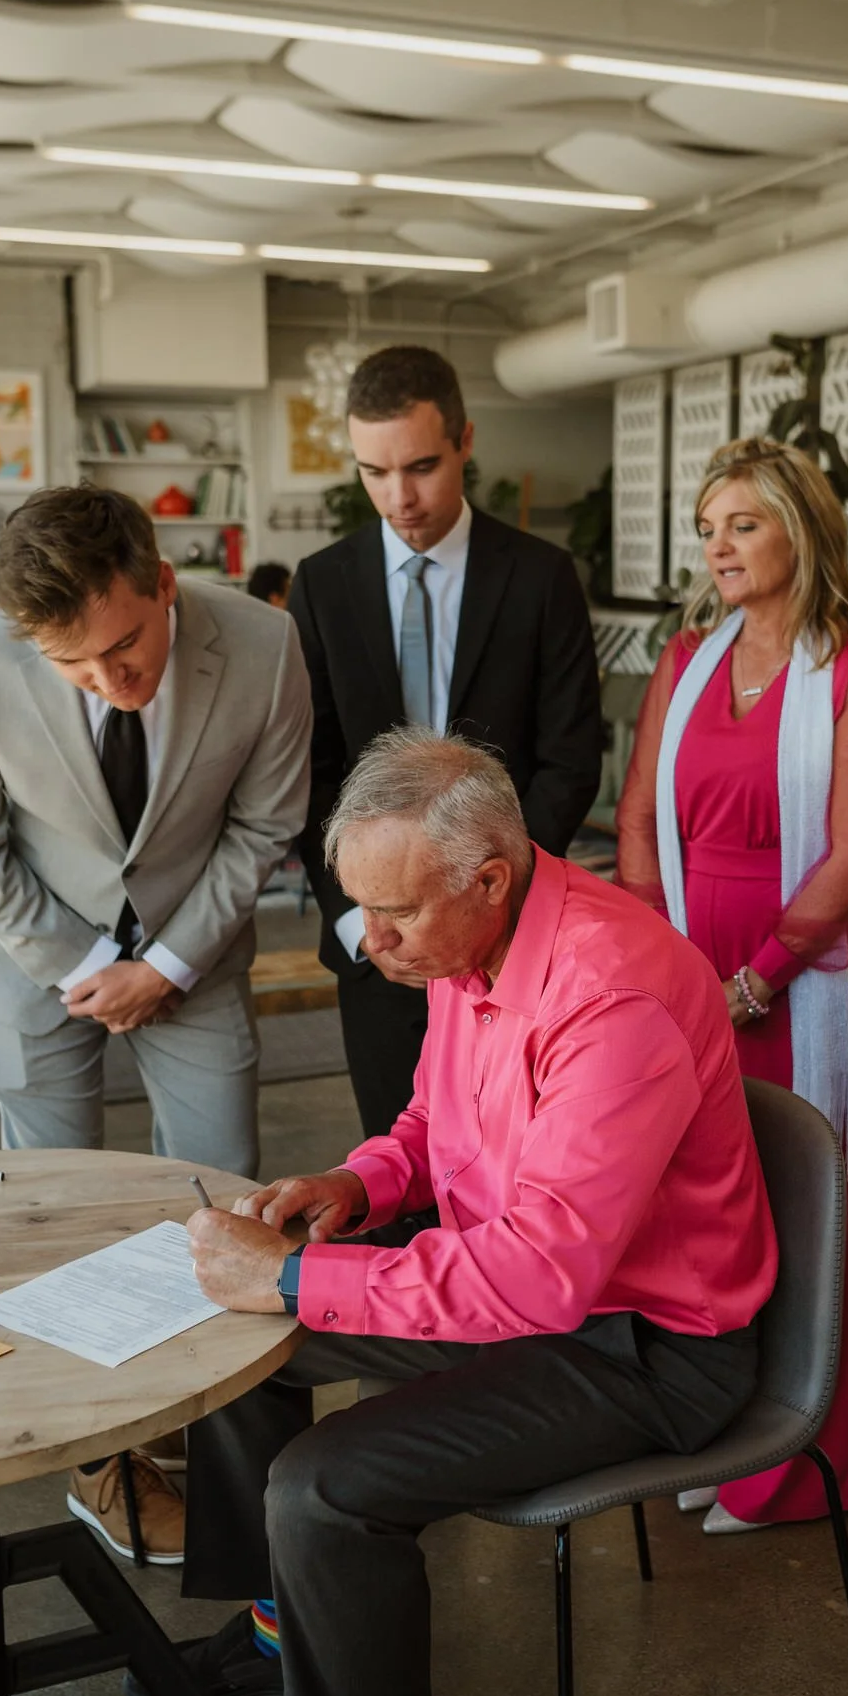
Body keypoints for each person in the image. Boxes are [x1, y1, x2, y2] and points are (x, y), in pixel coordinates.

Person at [176, 729, 775, 1696]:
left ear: (492, 875)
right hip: (535, 1290)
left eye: (390, 913)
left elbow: (546, 1276)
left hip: (647, 1344)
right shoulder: (471, 947)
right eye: (357, 907)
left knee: (321, 1486)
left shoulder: (610, 987)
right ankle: (281, 1635)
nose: (365, 941)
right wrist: (360, 1189)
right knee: (227, 1342)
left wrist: (299, 1283)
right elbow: (440, 1132)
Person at [0, 485, 312, 1561]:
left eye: (125, 646)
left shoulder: (266, 642)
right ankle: (101, 1460)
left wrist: (169, 962)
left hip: (199, 951)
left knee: (227, 1191)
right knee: (55, 1212)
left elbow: (266, 821)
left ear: (162, 583)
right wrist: (93, 965)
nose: (110, 679)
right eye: (74, 665)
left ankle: (213, 1451)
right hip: (34, 957)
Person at [618, 438, 848, 1535]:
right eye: (707, 526)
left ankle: (801, 1463)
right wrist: (665, 955)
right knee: (704, 1212)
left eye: (741, 522)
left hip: (804, 971)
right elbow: (639, 811)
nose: (718, 545)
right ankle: (719, 1432)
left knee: (810, 1207)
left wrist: (755, 979)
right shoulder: (688, 655)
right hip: (690, 965)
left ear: (800, 528)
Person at [289, 343, 603, 1138]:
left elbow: (568, 758)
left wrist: (487, 903)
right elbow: (309, 771)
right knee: (393, 1168)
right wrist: (357, 916)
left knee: (515, 1162)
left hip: (511, 932)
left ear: (465, 440)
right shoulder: (321, 584)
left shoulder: (539, 576)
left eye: (421, 466)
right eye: (373, 472)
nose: (399, 497)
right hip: (375, 943)